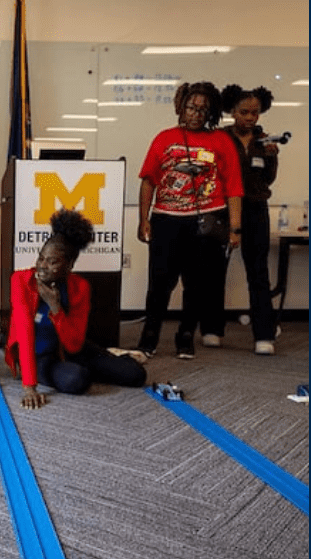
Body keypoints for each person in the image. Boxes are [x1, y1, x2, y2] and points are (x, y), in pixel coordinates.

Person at [135, 81, 244, 359]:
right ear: (180, 108)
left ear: (212, 112)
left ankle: (186, 335)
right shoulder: (164, 138)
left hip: (206, 221)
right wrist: (143, 219)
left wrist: (235, 226)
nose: (196, 114)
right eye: (191, 108)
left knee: (196, 284)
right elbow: (148, 181)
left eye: (203, 109)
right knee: (160, 282)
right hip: (167, 220)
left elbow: (233, 187)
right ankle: (150, 334)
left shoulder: (221, 141)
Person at [7, 210, 148, 409]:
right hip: (38, 355)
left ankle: (106, 358)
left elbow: (73, 344)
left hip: (71, 349)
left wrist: (55, 308)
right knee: (77, 380)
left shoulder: (80, 287)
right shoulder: (21, 281)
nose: (42, 266)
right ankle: (86, 366)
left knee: (136, 375)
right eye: (41, 258)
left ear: (69, 265)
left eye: (53, 261)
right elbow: (24, 332)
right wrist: (29, 387)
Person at [221, 85, 280, 355]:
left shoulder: (264, 141)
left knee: (258, 273)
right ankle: (212, 329)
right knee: (214, 270)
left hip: (256, 209)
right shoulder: (220, 138)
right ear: (232, 111)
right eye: (244, 112)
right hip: (222, 209)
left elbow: (267, 179)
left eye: (255, 113)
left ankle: (264, 335)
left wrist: (271, 158)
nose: (249, 118)